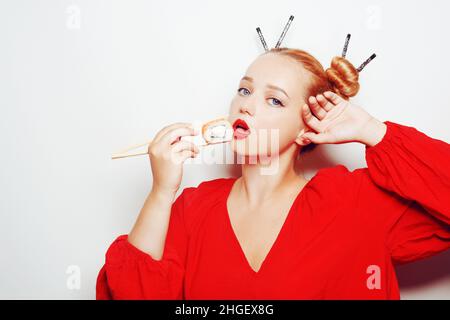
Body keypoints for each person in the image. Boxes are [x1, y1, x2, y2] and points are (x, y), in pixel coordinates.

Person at [96, 48, 450, 299]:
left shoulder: (353, 203)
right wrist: (160, 193)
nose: (246, 104)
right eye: (244, 90)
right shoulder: (192, 209)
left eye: (274, 100)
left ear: (306, 128)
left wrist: (373, 130)